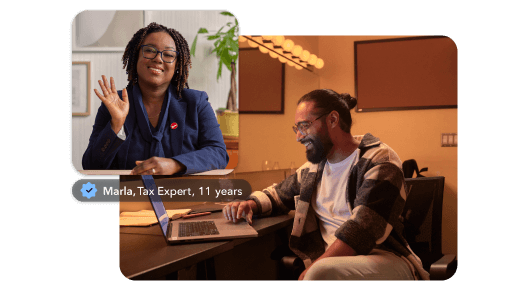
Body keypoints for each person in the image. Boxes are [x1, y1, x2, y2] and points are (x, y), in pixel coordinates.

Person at [223, 89, 430, 281]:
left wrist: (314, 268)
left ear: (332, 119)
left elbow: (361, 232)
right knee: (321, 270)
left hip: (385, 258)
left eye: (304, 126)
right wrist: (249, 204)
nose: (298, 137)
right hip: (333, 264)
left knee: (320, 271)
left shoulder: (380, 160)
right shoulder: (313, 170)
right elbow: (278, 194)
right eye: (297, 128)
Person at [82, 22, 228, 175]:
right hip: (126, 195)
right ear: (136, 56)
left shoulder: (196, 103)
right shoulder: (113, 104)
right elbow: (90, 165)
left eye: (169, 55)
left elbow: (218, 153)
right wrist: (116, 124)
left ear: (177, 65)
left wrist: (175, 164)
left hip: (182, 195)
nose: (158, 59)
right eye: (150, 51)